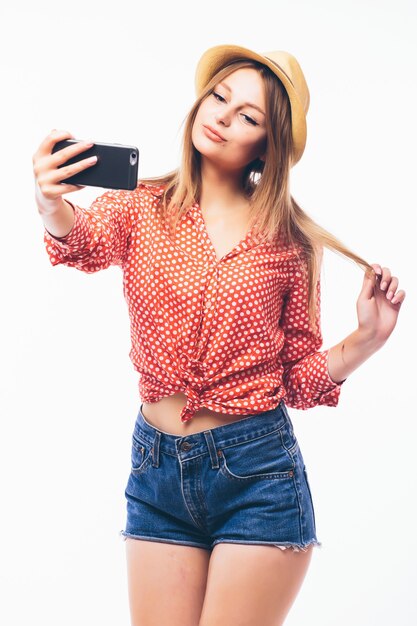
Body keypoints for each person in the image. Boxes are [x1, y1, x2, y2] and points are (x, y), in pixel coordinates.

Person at [33, 44, 405, 626]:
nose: (223, 115)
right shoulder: (142, 206)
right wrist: (49, 201)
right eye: (219, 96)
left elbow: (299, 381)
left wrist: (366, 339)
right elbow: (79, 240)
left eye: (248, 116)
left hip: (257, 477)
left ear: (268, 144)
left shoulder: (288, 244)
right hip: (156, 473)